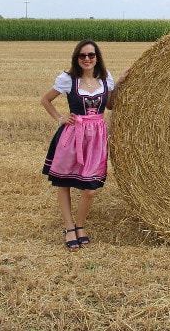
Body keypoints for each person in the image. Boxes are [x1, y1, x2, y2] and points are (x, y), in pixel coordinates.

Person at [41, 39, 122, 251]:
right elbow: (46, 100)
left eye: (91, 55)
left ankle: (80, 224)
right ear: (77, 58)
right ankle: (70, 228)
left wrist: (121, 82)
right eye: (82, 55)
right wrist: (60, 118)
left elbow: (111, 104)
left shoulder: (106, 78)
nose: (87, 59)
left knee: (90, 189)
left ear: (97, 58)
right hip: (73, 135)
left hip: (96, 138)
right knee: (64, 182)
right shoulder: (68, 79)